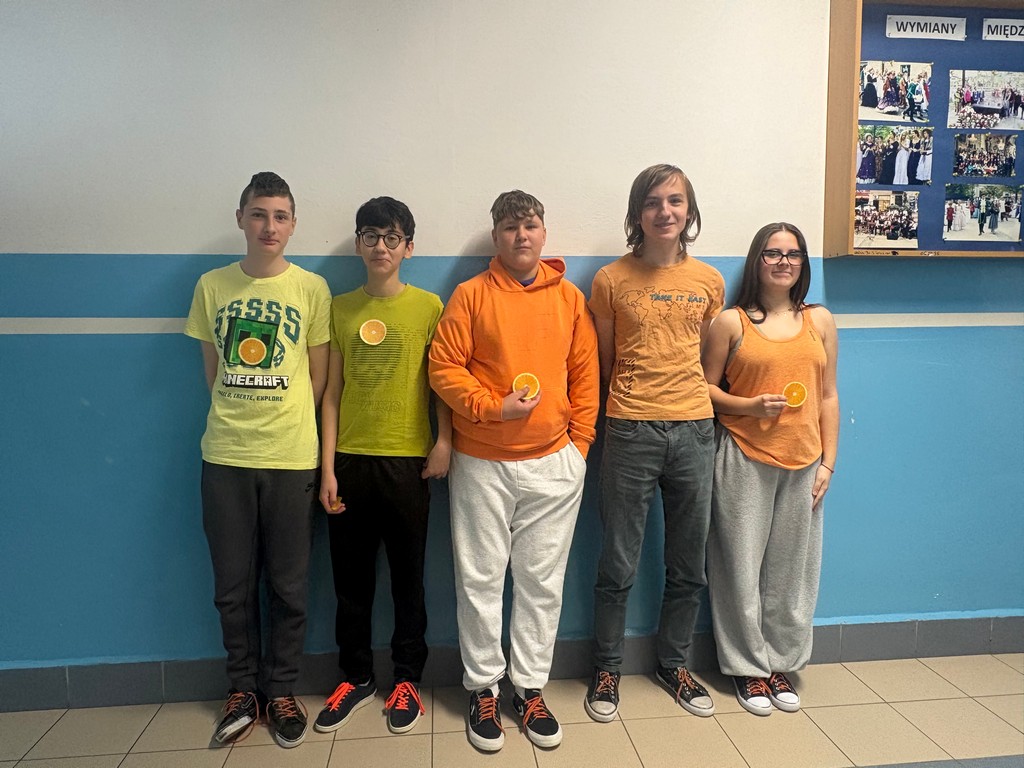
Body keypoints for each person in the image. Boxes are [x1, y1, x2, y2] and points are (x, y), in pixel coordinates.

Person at [429, 190, 599, 751]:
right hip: (481, 462)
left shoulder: (570, 299)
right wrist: (490, 407)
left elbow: (585, 376)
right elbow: (443, 367)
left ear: (543, 232)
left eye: (529, 225)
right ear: (496, 236)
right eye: (508, 227)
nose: (520, 236)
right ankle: (483, 687)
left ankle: (528, 689)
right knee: (479, 579)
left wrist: (579, 447)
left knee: (541, 583)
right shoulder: (471, 295)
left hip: (555, 463)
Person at [184, 171, 331, 748]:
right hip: (225, 455)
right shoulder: (211, 286)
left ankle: (282, 690)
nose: (270, 226)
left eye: (280, 216)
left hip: (292, 457)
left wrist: (287, 425)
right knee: (232, 585)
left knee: (289, 587)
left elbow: (318, 379)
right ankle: (242, 689)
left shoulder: (311, 289)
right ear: (241, 219)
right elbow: (213, 373)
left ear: (292, 225)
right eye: (259, 214)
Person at [585, 164, 724, 725]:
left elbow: (708, 360)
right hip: (629, 428)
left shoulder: (709, 282)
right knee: (617, 563)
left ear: (689, 211)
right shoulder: (610, 279)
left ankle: (675, 665)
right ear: (637, 213)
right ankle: (606, 669)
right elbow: (605, 362)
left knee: (688, 565)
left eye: (675, 201)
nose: (664, 211)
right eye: (652, 202)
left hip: (695, 430)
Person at [313, 197, 452, 737]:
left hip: (408, 463)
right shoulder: (340, 308)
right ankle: (356, 676)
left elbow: (441, 384)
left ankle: (407, 680)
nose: (380, 246)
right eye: (370, 235)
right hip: (350, 463)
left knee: (408, 579)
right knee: (350, 583)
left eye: (392, 238)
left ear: (409, 248)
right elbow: (331, 394)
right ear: (358, 243)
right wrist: (327, 469)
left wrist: (444, 442)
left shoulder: (429, 307)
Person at [702, 222, 839, 717]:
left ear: (803, 263)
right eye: (772, 253)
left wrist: (828, 463)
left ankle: (780, 662)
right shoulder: (731, 322)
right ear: (756, 260)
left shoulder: (820, 320)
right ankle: (747, 669)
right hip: (743, 456)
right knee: (738, 569)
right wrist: (749, 406)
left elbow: (828, 395)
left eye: (793, 253)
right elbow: (705, 391)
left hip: (804, 463)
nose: (784, 262)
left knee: (790, 573)